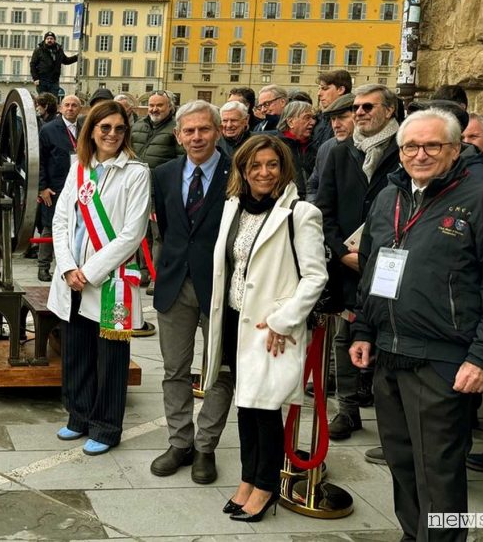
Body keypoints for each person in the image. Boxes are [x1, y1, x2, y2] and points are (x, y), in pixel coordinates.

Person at [351, 108, 483, 542]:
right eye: (411, 146)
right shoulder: (388, 197)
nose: (420, 154)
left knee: (440, 472)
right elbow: (373, 268)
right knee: (402, 463)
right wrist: (363, 330)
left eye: (433, 145)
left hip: (442, 362)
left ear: (455, 149)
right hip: (388, 355)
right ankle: (413, 535)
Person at [204, 135, 328, 522]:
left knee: (266, 412)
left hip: (270, 328)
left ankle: (266, 487)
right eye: (254, 165)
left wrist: (283, 319)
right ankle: (247, 479)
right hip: (234, 323)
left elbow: (315, 276)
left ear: (284, 168)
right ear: (242, 169)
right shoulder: (233, 208)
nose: (263, 172)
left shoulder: (299, 213)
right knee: (245, 405)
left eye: (271, 164)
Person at [48, 99, 150, 455]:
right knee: (76, 350)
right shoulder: (77, 168)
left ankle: (106, 427)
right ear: (91, 129)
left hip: (113, 282)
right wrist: (66, 267)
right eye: (105, 127)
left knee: (111, 357)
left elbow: (132, 234)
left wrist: (88, 272)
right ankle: (78, 416)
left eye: (119, 129)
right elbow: (61, 221)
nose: (112, 134)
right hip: (71, 278)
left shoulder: (136, 173)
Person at [149, 101, 232, 484]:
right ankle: (179, 441)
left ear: (217, 131)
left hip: (221, 289)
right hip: (174, 286)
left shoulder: (236, 172)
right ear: (178, 135)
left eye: (204, 129)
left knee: (218, 371)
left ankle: (205, 447)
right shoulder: (164, 174)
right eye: (189, 131)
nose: (196, 137)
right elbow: (167, 227)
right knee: (174, 370)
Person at [315, 83, 399, 441]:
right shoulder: (338, 152)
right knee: (344, 337)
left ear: (390, 110)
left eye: (366, 107)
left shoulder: (405, 149)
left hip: (393, 264)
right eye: (357, 108)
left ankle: (392, 422)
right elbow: (324, 209)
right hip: (348, 263)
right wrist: (341, 251)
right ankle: (347, 410)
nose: (360, 113)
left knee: (390, 341)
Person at [130, 90, 182, 303]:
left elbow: (181, 160)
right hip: (138, 190)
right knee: (140, 234)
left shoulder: (175, 129)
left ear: (170, 107)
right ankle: (143, 270)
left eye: (159, 105)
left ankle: (155, 275)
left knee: (159, 235)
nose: (154, 109)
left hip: (160, 191)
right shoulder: (139, 126)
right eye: (151, 105)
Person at [37, 94, 82, 282]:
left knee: (77, 225)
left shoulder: (86, 129)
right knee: (50, 227)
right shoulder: (48, 130)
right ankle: (43, 266)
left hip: (81, 185)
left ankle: (70, 266)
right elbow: (39, 160)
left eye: (74, 105)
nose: (70, 108)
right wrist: (42, 187)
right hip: (55, 187)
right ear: (61, 108)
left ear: (80, 109)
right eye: (67, 105)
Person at [305, 94, 354, 200]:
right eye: (333, 119)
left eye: (342, 117)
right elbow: (313, 185)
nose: (336, 125)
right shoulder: (325, 148)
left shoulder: (369, 150)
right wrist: (315, 210)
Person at [275, 101, 317, 199]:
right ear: (290, 122)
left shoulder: (315, 147)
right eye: (307, 118)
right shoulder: (275, 147)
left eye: (313, 118)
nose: (313, 122)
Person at [30, 31, 78, 97]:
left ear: (54, 40)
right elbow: (33, 64)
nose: (49, 40)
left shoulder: (59, 50)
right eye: (48, 39)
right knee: (43, 100)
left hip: (54, 80)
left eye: (51, 39)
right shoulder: (38, 50)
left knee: (53, 100)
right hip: (42, 80)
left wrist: (77, 57)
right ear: (45, 40)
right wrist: (35, 78)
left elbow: (66, 61)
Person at [312, 70, 353, 148]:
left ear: (340, 90)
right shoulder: (319, 118)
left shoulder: (356, 114)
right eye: (319, 89)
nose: (319, 93)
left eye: (324, 88)